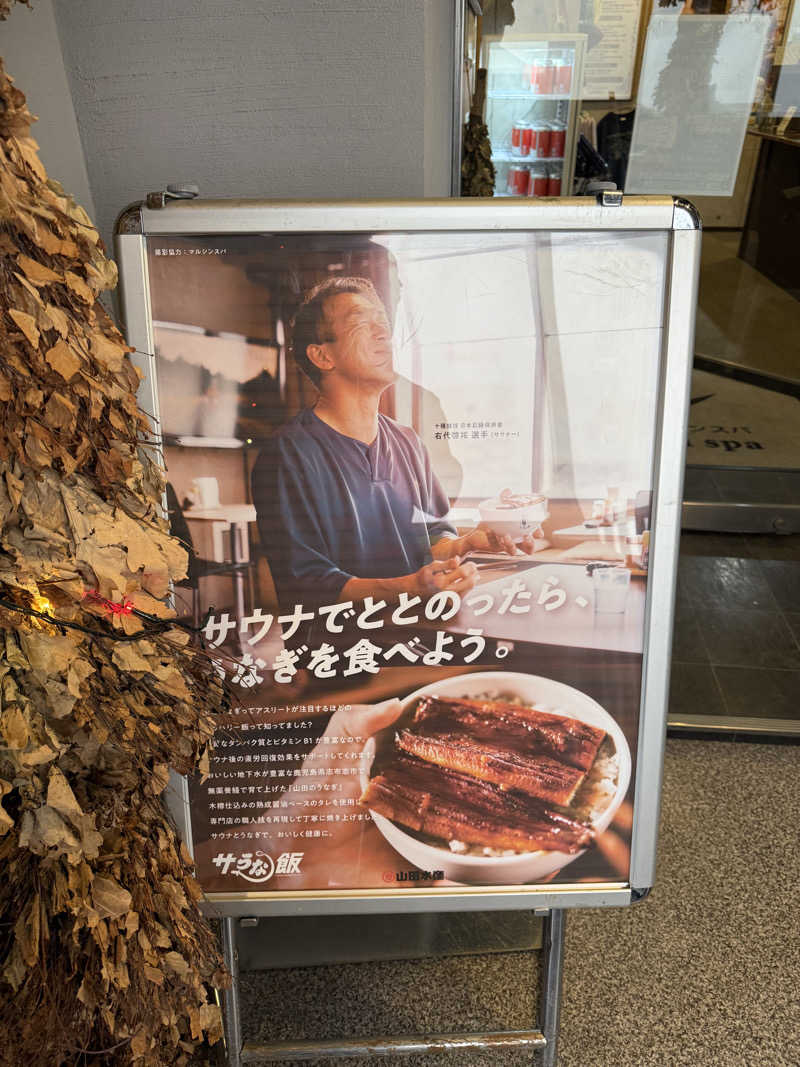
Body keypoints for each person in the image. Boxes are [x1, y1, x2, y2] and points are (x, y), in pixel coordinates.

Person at [252, 276, 532, 614]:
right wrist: (409, 588)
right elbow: (307, 582)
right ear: (323, 356)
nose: (384, 333)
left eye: (383, 323)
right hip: (346, 655)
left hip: (423, 632)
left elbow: (431, 537)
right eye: (360, 322)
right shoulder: (288, 455)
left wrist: (467, 543)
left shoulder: (407, 441)